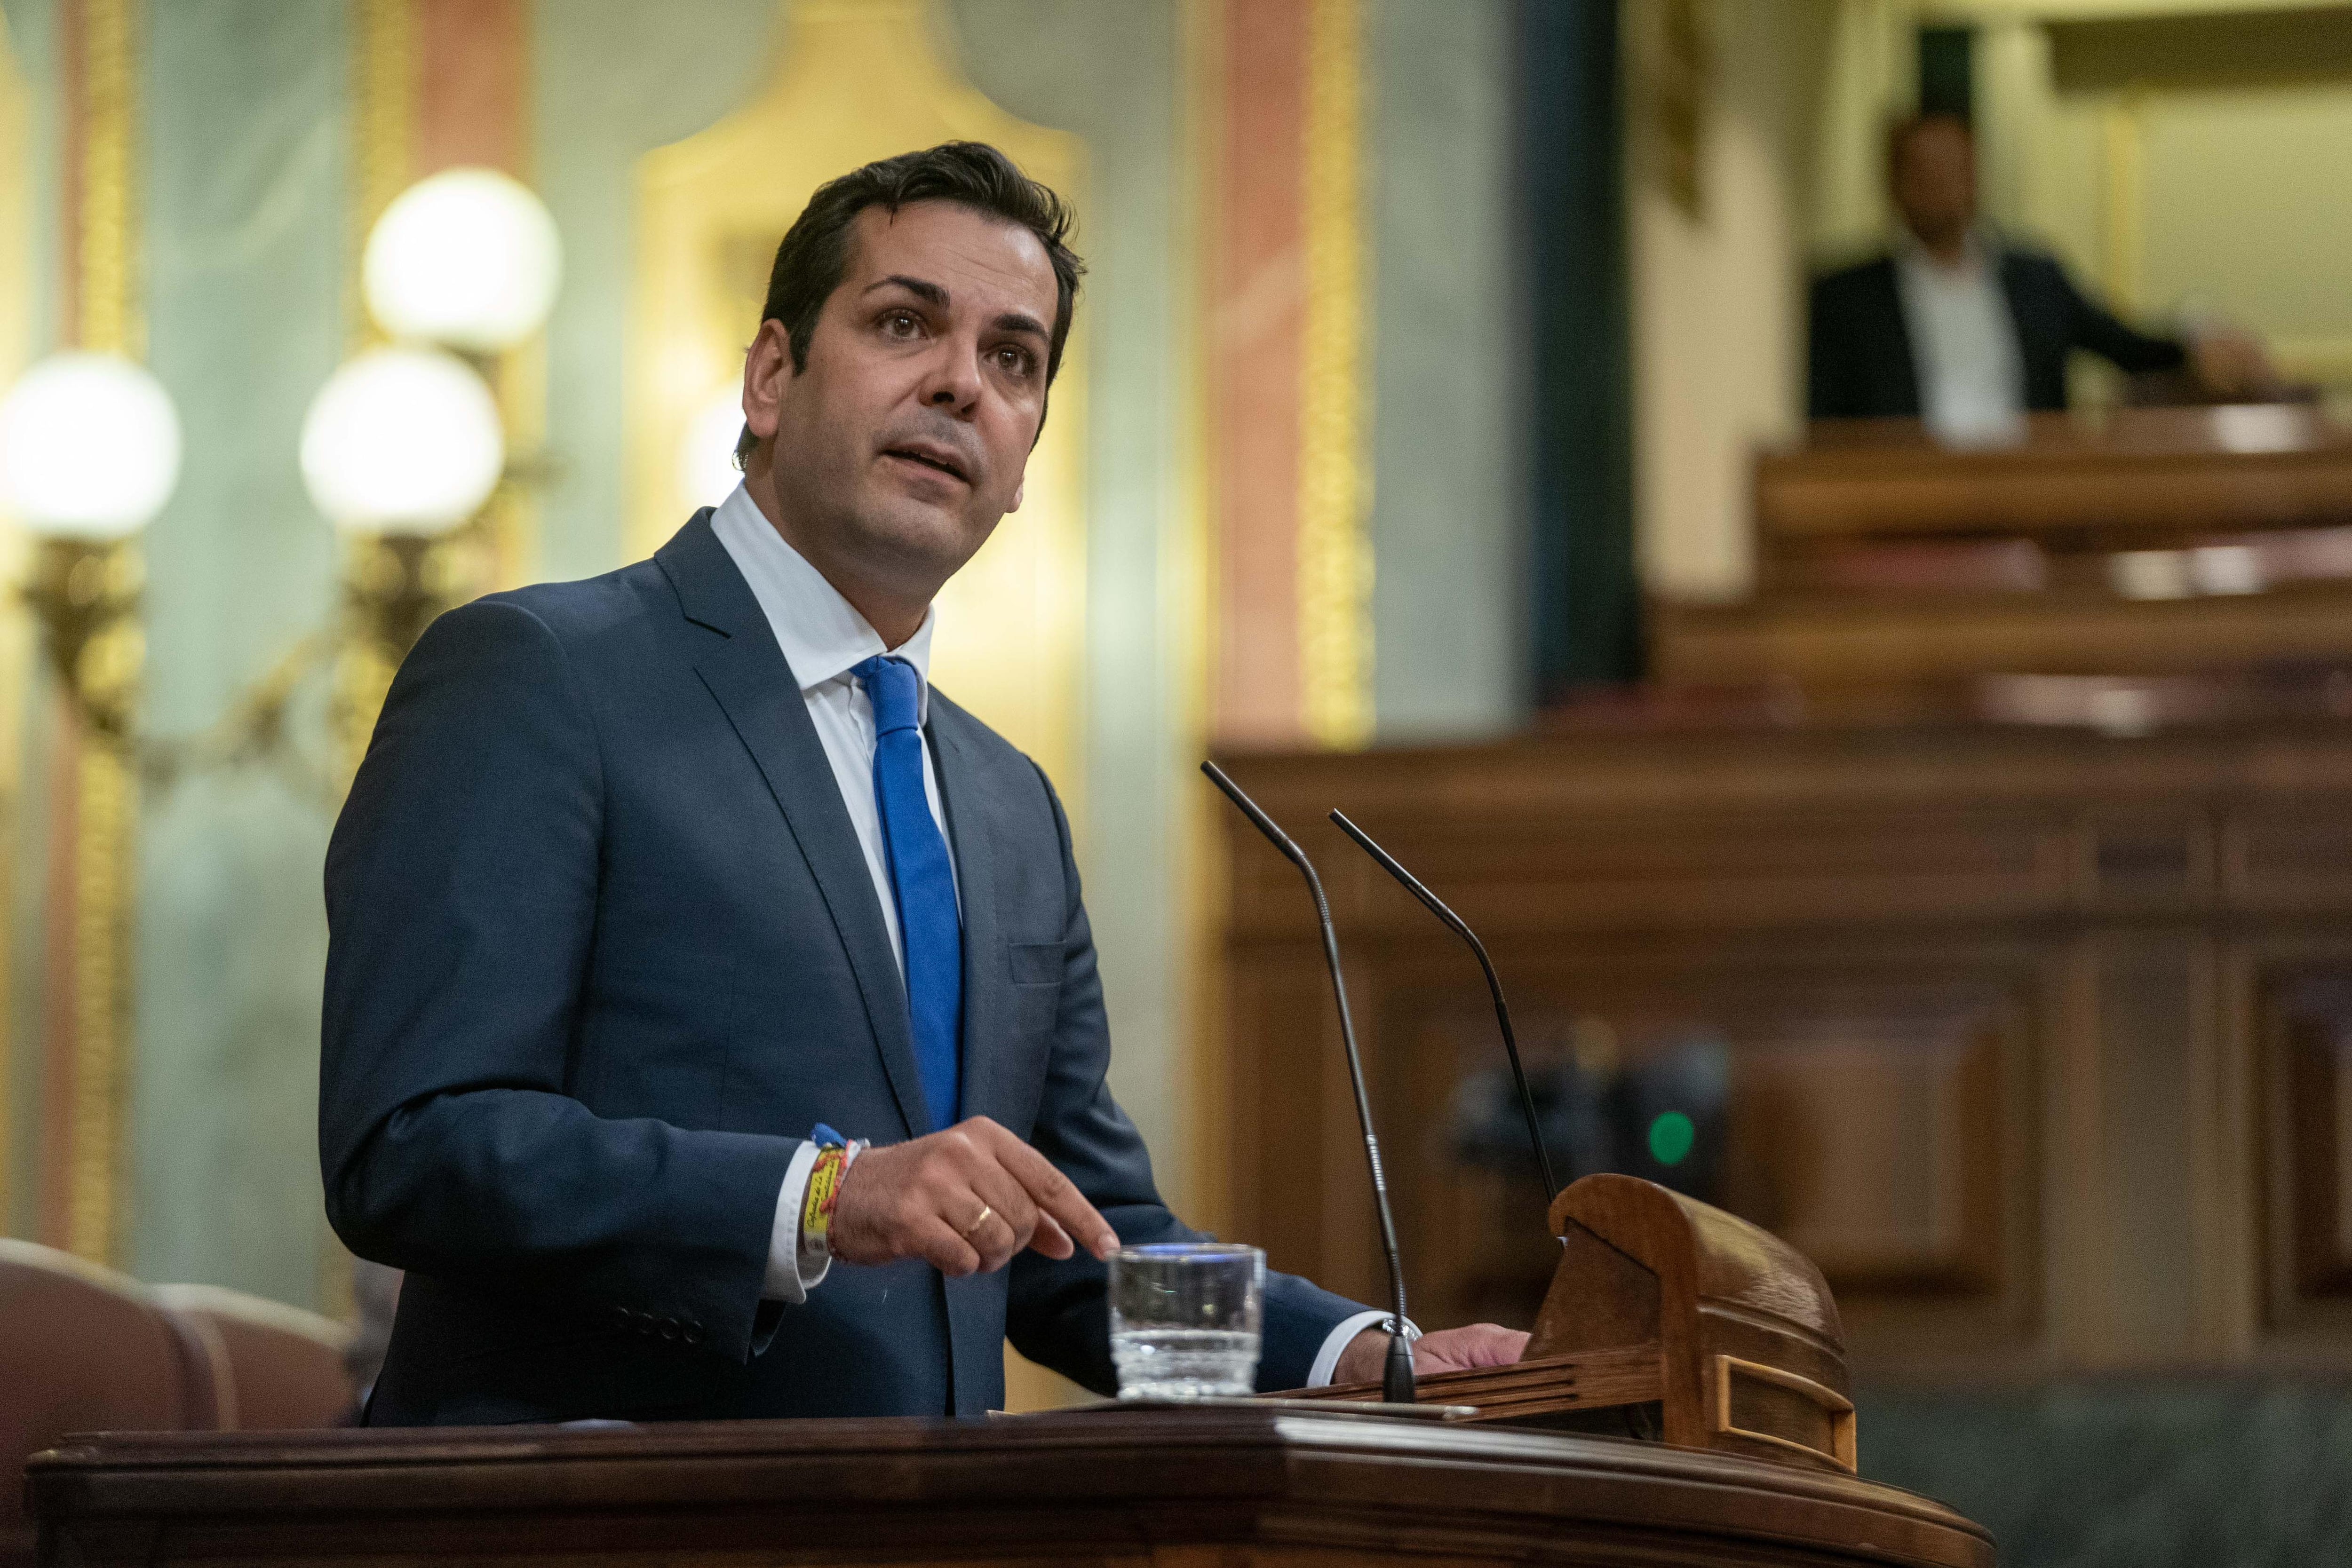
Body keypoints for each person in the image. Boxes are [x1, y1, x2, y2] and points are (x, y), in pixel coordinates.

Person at [320, 142, 1526, 1425]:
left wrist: (1358, 1350)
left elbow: (1076, 1238)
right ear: (772, 375)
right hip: (593, 1520)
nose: (962, 383)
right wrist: (825, 1194)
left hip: (927, 1527)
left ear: (1024, 459)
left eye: (1014, 359)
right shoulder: (545, 673)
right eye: (906, 323)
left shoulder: (1008, 804)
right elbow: (415, 1143)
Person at [1807, 113, 2270, 438]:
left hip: (2026, 489)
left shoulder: (2033, 279)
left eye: (1953, 169)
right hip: (1902, 502)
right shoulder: (1845, 298)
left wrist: (2198, 341)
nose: (1939, 187)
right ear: (1893, 183)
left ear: (1975, 175)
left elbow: (2123, 344)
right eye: (1922, 172)